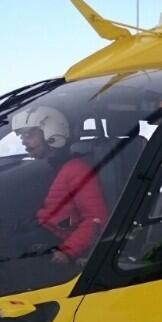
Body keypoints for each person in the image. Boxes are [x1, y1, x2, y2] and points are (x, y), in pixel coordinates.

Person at [12, 106, 107, 264]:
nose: (23, 141)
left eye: (29, 134)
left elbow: (96, 219)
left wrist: (67, 251)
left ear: (52, 133)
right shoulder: (42, 169)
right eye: (22, 136)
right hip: (39, 233)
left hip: (55, 242)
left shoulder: (76, 169)